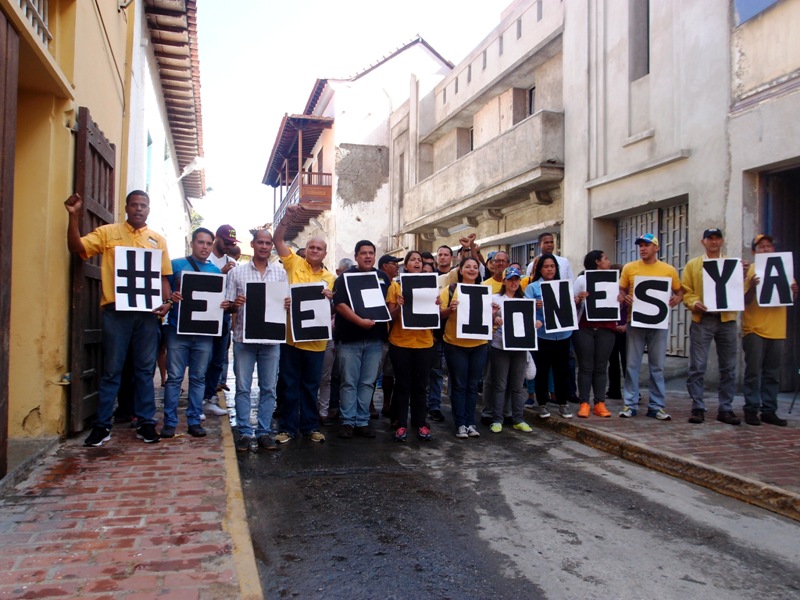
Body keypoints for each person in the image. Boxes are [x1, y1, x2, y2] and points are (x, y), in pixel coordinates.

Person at [65, 190, 172, 446]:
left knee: (145, 371)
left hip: (147, 315)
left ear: (148, 209)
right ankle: (102, 425)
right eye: (134, 204)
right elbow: (77, 247)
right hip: (117, 313)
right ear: (126, 207)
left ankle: (146, 422)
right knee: (112, 370)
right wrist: (73, 216)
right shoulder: (107, 233)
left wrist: (167, 303)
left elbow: (164, 277)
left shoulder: (157, 240)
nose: (138, 209)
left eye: (143, 205)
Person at [272, 206, 335, 444]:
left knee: (310, 387)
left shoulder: (331, 279)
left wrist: (330, 298)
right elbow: (277, 239)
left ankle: (310, 427)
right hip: (291, 339)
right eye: (311, 247)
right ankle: (287, 428)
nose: (315, 250)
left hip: (317, 343)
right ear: (306, 250)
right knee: (288, 385)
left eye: (319, 248)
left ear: (324, 253)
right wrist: (288, 217)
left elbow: (330, 311)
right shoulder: (293, 264)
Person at [161, 228, 231, 438]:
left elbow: (217, 301)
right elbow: (164, 285)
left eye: (209, 244)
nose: (205, 247)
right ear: (193, 243)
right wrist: (169, 297)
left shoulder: (215, 272)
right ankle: (170, 421)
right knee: (174, 377)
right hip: (177, 329)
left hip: (203, 333)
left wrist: (224, 305)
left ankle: (194, 419)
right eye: (201, 242)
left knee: (198, 377)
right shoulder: (176, 265)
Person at [227, 229, 287, 451]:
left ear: (271, 246)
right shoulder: (237, 273)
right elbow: (228, 306)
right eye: (260, 242)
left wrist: (287, 305)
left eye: (268, 243)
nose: (264, 246)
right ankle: (244, 432)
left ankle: (263, 432)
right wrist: (235, 304)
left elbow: (283, 304)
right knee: (242, 387)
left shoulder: (280, 273)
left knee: (269, 388)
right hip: (244, 339)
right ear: (252, 244)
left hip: (271, 341)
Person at [617, 233, 683, 420]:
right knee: (632, 365)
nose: (643, 248)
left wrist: (676, 299)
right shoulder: (630, 268)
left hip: (658, 323)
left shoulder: (668, 270)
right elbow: (621, 290)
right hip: (635, 322)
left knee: (657, 366)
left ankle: (657, 405)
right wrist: (624, 296)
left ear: (656, 247)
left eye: (647, 245)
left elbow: (680, 292)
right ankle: (630, 404)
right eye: (640, 245)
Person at [682, 228, 741, 425]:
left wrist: (747, 276)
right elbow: (686, 291)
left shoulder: (732, 264)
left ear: (722, 241)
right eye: (710, 239)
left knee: (729, 367)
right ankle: (697, 406)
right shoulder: (693, 265)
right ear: (703, 242)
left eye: (717, 238)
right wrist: (693, 302)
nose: (713, 242)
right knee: (697, 366)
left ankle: (726, 408)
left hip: (726, 320)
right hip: (703, 319)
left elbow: (739, 291)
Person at [333, 240, 391, 439]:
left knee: (367, 382)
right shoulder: (344, 278)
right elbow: (339, 304)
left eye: (371, 253)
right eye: (363, 253)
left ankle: (362, 421)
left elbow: (388, 306)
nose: (368, 256)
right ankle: (348, 421)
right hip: (349, 339)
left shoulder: (383, 277)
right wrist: (359, 321)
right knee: (349, 382)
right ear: (356, 256)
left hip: (375, 340)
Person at [741, 234, 799, 426]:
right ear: (754, 251)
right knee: (753, 372)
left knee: (773, 373)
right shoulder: (749, 271)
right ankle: (750, 409)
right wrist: (752, 287)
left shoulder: (784, 268)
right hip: (754, 328)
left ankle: (769, 410)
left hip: (777, 328)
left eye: (768, 246)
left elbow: (788, 298)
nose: (765, 249)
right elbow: (743, 301)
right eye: (761, 247)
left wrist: (794, 292)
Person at [386, 251, 436, 441]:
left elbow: (435, 315)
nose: (417, 262)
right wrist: (399, 306)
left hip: (424, 342)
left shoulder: (431, 286)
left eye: (419, 260)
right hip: (400, 342)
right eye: (413, 260)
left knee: (421, 386)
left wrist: (437, 305)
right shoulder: (395, 286)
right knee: (403, 385)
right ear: (405, 266)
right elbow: (390, 316)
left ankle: (420, 423)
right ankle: (401, 423)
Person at [440, 257, 486, 439]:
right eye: (468, 266)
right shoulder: (450, 290)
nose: (472, 270)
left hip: (479, 345)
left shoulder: (485, 292)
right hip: (455, 345)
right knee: (459, 385)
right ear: (460, 269)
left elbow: (490, 318)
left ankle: (470, 422)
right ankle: (460, 423)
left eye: (475, 267)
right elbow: (439, 314)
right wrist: (449, 309)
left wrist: (494, 312)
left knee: (473, 386)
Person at [524, 254, 573, 419]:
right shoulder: (532, 288)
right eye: (546, 266)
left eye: (552, 266)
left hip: (563, 335)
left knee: (562, 371)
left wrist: (577, 300)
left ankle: (563, 403)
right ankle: (542, 404)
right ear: (540, 269)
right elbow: (524, 311)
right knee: (542, 371)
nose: (549, 269)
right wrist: (533, 306)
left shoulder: (564, 286)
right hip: (543, 336)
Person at [488, 266, 535, 433]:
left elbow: (529, 322)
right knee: (500, 384)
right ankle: (497, 419)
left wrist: (535, 323)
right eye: (511, 279)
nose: (514, 282)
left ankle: (518, 418)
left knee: (517, 385)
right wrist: (495, 316)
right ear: (504, 281)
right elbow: (486, 318)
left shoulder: (525, 300)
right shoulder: (495, 298)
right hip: (500, 346)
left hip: (520, 347)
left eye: (516, 279)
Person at [202, 224, 240, 417]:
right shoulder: (205, 257)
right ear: (217, 238)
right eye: (226, 242)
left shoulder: (232, 262)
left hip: (223, 316)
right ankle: (197, 399)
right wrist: (222, 273)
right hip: (203, 315)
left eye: (232, 243)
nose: (228, 246)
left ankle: (208, 397)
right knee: (201, 358)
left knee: (218, 359)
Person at [573, 251, 615, 418]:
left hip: (606, 328)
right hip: (585, 328)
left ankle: (599, 402)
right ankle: (584, 403)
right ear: (597, 262)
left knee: (601, 366)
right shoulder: (582, 280)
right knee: (585, 366)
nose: (609, 261)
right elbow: (572, 302)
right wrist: (578, 299)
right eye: (606, 258)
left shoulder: (614, 280)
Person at [606, 264, 627, 400]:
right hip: (612, 330)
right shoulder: (607, 289)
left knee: (627, 361)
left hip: (626, 330)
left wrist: (626, 325)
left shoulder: (629, 290)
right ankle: (614, 390)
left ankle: (632, 391)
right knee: (613, 362)